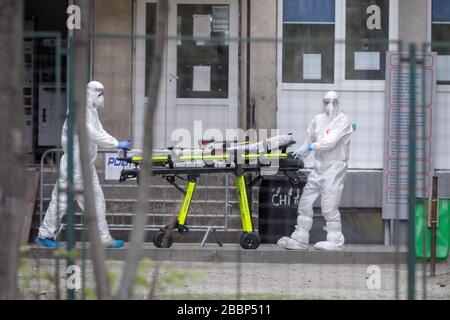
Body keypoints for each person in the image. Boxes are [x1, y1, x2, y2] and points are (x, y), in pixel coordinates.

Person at [35, 81, 131, 248]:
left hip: (86, 165)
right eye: (100, 95)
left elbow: (100, 130)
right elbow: (91, 133)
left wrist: (116, 142)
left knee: (96, 200)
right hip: (74, 165)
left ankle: (103, 238)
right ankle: (45, 235)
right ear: (91, 94)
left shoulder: (91, 111)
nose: (102, 98)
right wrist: (115, 145)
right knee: (62, 201)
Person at [277, 91, 353, 251]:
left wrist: (312, 147)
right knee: (305, 202)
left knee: (329, 205)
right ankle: (300, 238)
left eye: (333, 102)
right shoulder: (317, 120)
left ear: (338, 103)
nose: (329, 106)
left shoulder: (343, 120)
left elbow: (329, 143)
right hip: (319, 166)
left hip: (335, 167)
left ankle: (335, 241)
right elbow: (308, 139)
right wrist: (302, 151)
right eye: (326, 102)